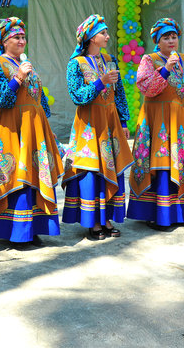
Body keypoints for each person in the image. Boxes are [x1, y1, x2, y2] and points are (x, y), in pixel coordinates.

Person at [0, 17, 62, 246]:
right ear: (4, 42)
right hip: (11, 129)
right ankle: (14, 231)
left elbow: (39, 100)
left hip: (34, 129)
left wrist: (47, 130)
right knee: (15, 175)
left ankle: (33, 228)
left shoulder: (27, 64)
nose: (22, 40)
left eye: (23, 37)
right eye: (16, 37)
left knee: (33, 174)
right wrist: (19, 77)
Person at [127, 18, 184, 230]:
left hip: (183, 122)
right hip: (159, 123)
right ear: (157, 40)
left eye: (174, 36)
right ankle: (159, 215)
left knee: (183, 165)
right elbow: (146, 88)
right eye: (166, 37)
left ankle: (183, 214)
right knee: (162, 165)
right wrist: (165, 68)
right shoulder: (149, 60)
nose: (172, 40)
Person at [62, 14, 133, 240]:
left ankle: (107, 218)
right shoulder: (75, 64)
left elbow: (119, 92)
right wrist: (100, 81)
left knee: (111, 170)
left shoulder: (110, 59)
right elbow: (78, 97)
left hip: (110, 124)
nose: (107, 36)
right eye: (103, 33)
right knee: (91, 171)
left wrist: (123, 121)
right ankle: (92, 221)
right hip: (89, 126)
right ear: (92, 38)